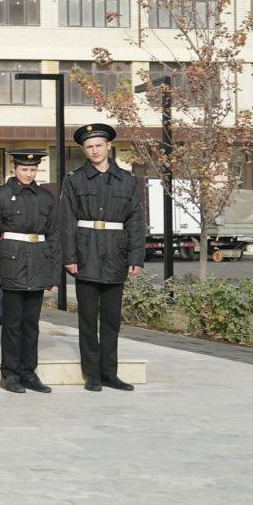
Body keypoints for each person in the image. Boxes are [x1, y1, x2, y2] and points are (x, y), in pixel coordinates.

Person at [60, 124, 145, 392]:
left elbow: (135, 221)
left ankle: (110, 373)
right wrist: (69, 256)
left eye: (99, 145)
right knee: (87, 318)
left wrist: (136, 257)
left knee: (111, 320)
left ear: (108, 146)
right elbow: (67, 220)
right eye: (89, 146)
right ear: (83, 150)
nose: (94, 150)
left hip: (116, 254)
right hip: (85, 254)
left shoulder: (128, 181)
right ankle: (92, 374)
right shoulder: (74, 180)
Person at [0, 150, 61, 394]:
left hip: (38, 265)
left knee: (31, 325)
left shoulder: (45, 197)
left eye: (32, 169)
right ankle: (9, 374)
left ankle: (29, 372)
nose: (28, 173)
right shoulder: (0, 196)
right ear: (14, 169)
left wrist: (53, 275)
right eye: (23, 169)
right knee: (12, 325)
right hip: (11, 266)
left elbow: (54, 237)